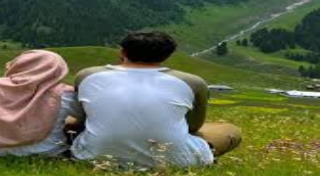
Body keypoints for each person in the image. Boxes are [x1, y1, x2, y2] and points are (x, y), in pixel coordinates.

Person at [71, 31, 242, 168]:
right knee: (229, 130)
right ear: (167, 56)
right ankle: (203, 154)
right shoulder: (192, 82)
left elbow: (82, 118)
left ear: (122, 52)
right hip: (173, 161)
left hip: (91, 156)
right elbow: (194, 126)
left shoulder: (87, 75)